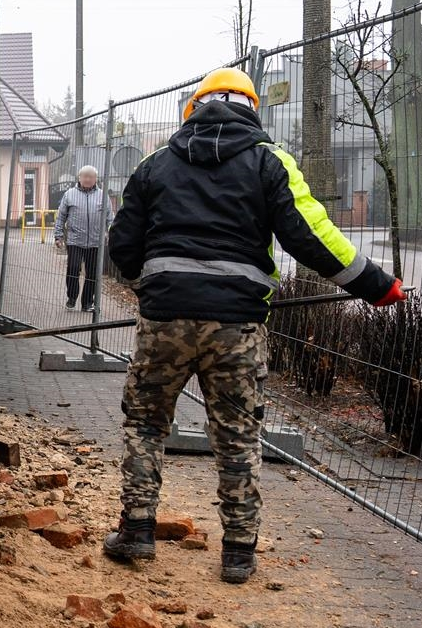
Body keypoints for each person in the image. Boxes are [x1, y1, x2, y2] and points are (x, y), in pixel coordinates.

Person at [102, 67, 405, 584]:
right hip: (237, 325)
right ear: (251, 109)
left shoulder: (156, 164)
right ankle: (239, 553)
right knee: (238, 434)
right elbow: (311, 237)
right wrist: (377, 286)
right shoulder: (269, 161)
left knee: (147, 423)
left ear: (191, 108)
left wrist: (151, 285)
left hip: (164, 319)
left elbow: (122, 247)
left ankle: (137, 531)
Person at [54, 164, 109, 313]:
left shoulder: (103, 196)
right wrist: (58, 235)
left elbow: (110, 218)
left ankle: (87, 303)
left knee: (92, 274)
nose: (88, 179)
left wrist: (110, 233)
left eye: (91, 177)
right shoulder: (69, 194)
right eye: (85, 176)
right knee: (73, 269)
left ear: (95, 179)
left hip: (95, 242)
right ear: (79, 178)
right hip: (75, 240)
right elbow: (61, 217)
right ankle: (71, 298)